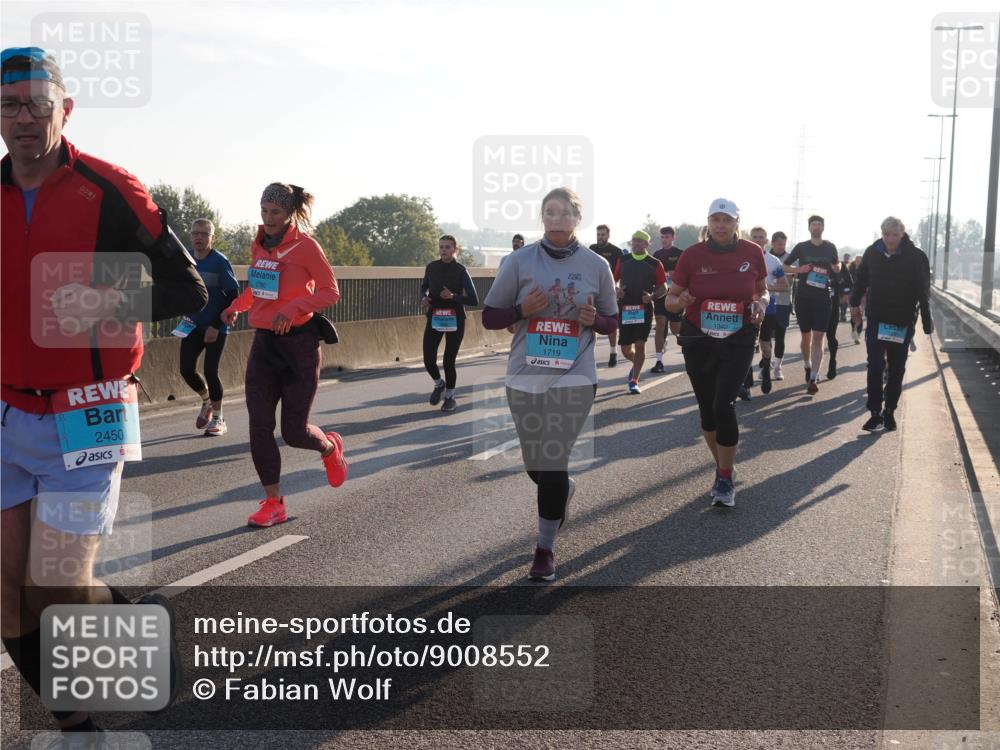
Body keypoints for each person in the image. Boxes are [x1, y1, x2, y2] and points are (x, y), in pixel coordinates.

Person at [1, 47, 206, 735]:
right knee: (9, 594)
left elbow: (189, 288)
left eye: (36, 102)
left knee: (56, 585)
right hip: (6, 411)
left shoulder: (111, 189)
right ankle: (74, 720)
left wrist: (99, 301)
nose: (23, 117)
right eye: (9, 105)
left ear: (65, 108)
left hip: (87, 411)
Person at [482, 187, 618, 581]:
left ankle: (544, 549)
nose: (556, 218)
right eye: (550, 212)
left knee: (553, 457)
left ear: (578, 218)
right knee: (536, 465)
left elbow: (613, 322)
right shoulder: (519, 261)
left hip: (575, 375)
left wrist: (596, 321)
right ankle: (562, 490)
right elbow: (490, 317)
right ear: (542, 217)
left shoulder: (596, 265)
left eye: (564, 212)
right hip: (525, 375)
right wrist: (520, 310)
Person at [222, 182, 347, 528]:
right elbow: (260, 289)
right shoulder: (259, 244)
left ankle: (329, 449)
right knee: (259, 425)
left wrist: (293, 308)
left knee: (293, 432)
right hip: (265, 345)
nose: (268, 218)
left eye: (275, 212)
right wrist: (236, 306)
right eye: (263, 210)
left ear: (289, 213)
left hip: (300, 347)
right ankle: (273, 502)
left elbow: (330, 292)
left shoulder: (306, 247)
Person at [665, 198, 768, 508]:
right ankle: (724, 463)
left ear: (737, 222)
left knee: (724, 405)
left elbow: (761, 289)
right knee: (708, 412)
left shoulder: (752, 252)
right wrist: (680, 301)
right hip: (698, 338)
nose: (721, 225)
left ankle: (724, 477)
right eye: (716, 219)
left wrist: (761, 304)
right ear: (708, 223)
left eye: (727, 219)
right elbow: (670, 300)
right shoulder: (692, 256)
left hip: (738, 338)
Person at [850, 217, 932, 432]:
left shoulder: (916, 256)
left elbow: (924, 290)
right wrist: (854, 304)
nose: (890, 240)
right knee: (875, 366)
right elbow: (861, 279)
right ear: (882, 234)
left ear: (902, 234)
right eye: (886, 235)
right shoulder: (872, 252)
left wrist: (926, 320)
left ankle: (890, 411)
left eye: (895, 235)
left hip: (902, 320)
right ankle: (875, 412)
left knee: (896, 369)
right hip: (877, 317)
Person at [178, 218, 240, 435]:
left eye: (204, 234)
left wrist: (216, 324)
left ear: (212, 237)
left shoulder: (219, 262)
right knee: (186, 369)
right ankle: (206, 401)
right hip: (192, 324)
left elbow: (233, 295)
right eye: (195, 233)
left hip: (216, 325)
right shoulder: (185, 258)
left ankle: (219, 418)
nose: (199, 238)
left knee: (210, 371)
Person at [420, 235, 479, 412]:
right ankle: (439, 384)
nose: (443, 250)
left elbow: (474, 299)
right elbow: (424, 287)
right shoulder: (431, 267)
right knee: (428, 358)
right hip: (435, 316)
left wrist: (453, 296)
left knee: (448, 360)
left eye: (447, 247)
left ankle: (450, 397)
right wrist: (424, 297)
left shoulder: (461, 270)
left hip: (455, 319)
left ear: (455, 249)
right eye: (441, 247)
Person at [783, 215, 840, 395]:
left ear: (823, 227)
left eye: (819, 224)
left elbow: (835, 264)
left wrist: (837, 267)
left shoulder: (830, 247)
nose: (816, 227)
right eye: (813, 224)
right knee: (806, 337)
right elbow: (784, 267)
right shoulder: (801, 247)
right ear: (809, 228)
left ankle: (814, 377)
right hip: (804, 298)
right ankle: (807, 365)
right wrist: (799, 270)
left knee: (818, 337)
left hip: (823, 297)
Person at [615, 230, 668, 394]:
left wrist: (652, 297)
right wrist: (617, 290)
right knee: (625, 349)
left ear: (646, 244)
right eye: (634, 241)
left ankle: (634, 380)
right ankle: (636, 363)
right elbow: (613, 280)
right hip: (625, 308)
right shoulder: (623, 260)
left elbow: (664, 287)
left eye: (639, 241)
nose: (636, 243)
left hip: (643, 309)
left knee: (640, 344)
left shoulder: (654, 263)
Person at [651, 226, 683, 373]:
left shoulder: (680, 254)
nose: (664, 240)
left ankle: (689, 347)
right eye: (662, 237)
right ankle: (659, 361)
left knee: (675, 328)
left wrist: (672, 274)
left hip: (676, 295)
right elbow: (653, 274)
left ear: (673, 238)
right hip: (660, 294)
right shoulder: (656, 254)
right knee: (660, 324)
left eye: (667, 237)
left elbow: (685, 274)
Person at [589, 224, 623, 366]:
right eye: (598, 234)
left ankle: (613, 352)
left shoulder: (616, 251)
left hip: (610, 289)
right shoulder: (591, 249)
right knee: (591, 320)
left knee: (611, 321)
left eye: (603, 235)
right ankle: (590, 353)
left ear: (608, 235)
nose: (600, 237)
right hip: (592, 289)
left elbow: (620, 272)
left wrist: (617, 287)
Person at [762, 231, 793, 382]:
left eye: (784, 244)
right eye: (779, 243)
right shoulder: (764, 257)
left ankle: (777, 367)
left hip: (783, 302)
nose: (781, 246)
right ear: (772, 243)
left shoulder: (791, 258)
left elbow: (792, 277)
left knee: (780, 335)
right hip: (767, 303)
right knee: (765, 337)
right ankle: (765, 366)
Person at [849, 255, 864, 344]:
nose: (858, 262)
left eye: (860, 260)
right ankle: (853, 330)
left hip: (863, 295)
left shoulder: (866, 270)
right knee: (854, 315)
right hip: (852, 295)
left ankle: (857, 336)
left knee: (860, 315)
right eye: (857, 260)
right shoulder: (850, 270)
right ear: (854, 261)